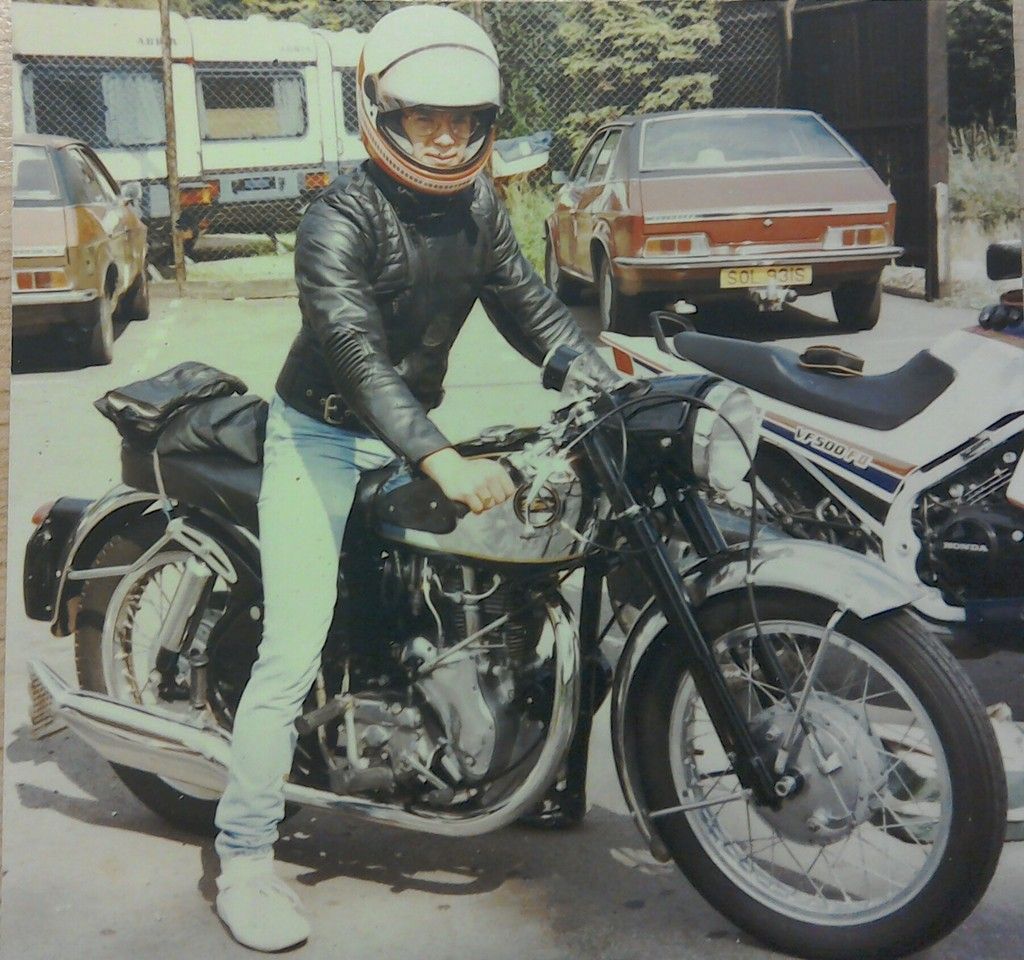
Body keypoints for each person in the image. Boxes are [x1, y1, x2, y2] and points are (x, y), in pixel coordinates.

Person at [211, 5, 618, 952]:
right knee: (293, 647)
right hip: (324, 433)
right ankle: (244, 858)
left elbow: (534, 312)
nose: (445, 137)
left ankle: (515, 762)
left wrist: (607, 379)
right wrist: (438, 455)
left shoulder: (479, 210)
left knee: (512, 574)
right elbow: (355, 354)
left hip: (410, 432)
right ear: (382, 115)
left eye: (464, 119)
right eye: (425, 117)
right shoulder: (337, 217)